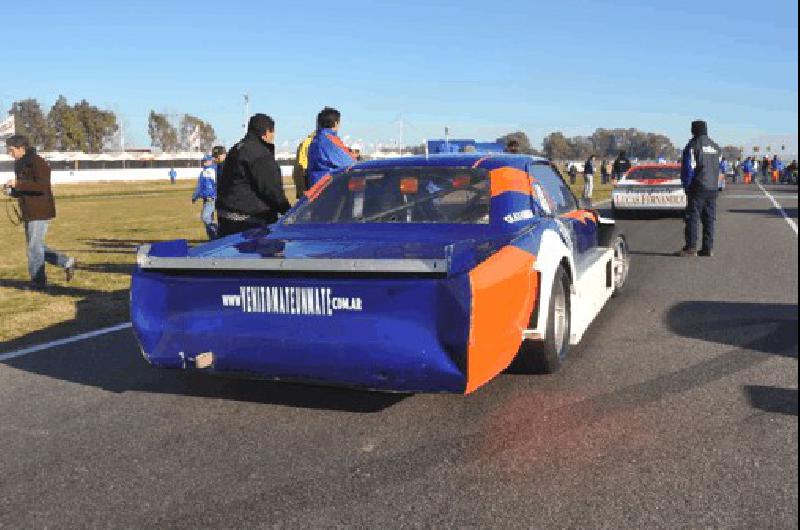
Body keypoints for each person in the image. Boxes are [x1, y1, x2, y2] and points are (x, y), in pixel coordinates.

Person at [3, 134, 76, 290]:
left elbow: (42, 186)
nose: (10, 153)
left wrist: (18, 183)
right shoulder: (19, 164)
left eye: (11, 150)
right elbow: (25, 188)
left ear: (21, 148)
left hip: (40, 211)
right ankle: (66, 262)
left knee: (34, 248)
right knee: (36, 247)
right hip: (28, 211)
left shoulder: (38, 162)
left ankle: (38, 283)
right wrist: (12, 191)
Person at [215, 114, 291, 237]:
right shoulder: (260, 154)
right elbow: (271, 189)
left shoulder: (236, 149)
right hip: (248, 221)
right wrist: (288, 211)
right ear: (267, 132)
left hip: (226, 216)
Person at [676, 120, 721, 257]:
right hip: (713, 187)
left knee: (692, 217)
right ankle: (708, 248)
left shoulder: (693, 145)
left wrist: (686, 186)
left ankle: (691, 247)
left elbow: (688, 169)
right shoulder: (715, 147)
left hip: (698, 187)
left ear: (694, 130)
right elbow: (718, 167)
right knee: (709, 218)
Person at [307, 107, 356, 187]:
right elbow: (350, 163)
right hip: (330, 186)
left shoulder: (315, 140)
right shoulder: (330, 140)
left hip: (315, 186)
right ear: (336, 123)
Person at [192, 155, 218, 240]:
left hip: (211, 198)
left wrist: (214, 195)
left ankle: (215, 233)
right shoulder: (203, 172)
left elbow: (216, 185)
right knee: (209, 218)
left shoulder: (214, 170)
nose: (204, 162)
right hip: (206, 198)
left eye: (206, 160)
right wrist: (195, 196)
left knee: (205, 217)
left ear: (210, 161)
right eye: (204, 161)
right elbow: (200, 186)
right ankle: (212, 238)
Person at [291, 132, 314, 200]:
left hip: (299, 173)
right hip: (304, 174)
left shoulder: (303, 143)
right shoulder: (311, 143)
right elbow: (303, 163)